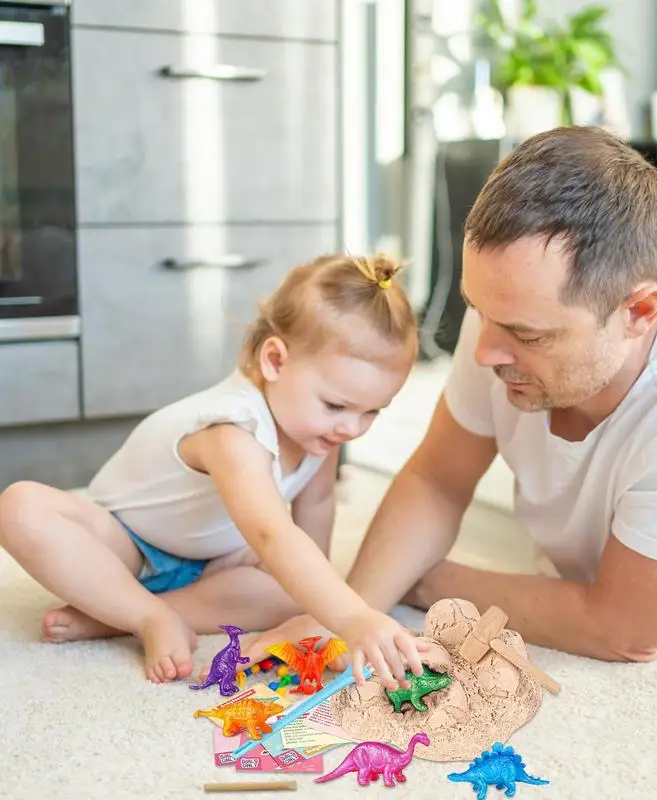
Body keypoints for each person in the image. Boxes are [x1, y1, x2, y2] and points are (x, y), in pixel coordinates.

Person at [239, 126, 657, 666]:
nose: (485, 353)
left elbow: (622, 630)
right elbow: (438, 479)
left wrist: (428, 579)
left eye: (529, 335)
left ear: (639, 313)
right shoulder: (505, 317)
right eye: (479, 312)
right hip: (579, 552)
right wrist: (351, 613)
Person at [0, 253, 426, 687]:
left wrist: (324, 608)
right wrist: (355, 616)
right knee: (21, 508)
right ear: (275, 361)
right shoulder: (233, 429)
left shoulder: (321, 433)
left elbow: (314, 512)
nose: (351, 428)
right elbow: (271, 534)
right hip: (124, 547)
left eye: (371, 411)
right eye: (336, 405)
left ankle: (110, 615)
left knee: (296, 593)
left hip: (212, 560)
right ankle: (146, 614)